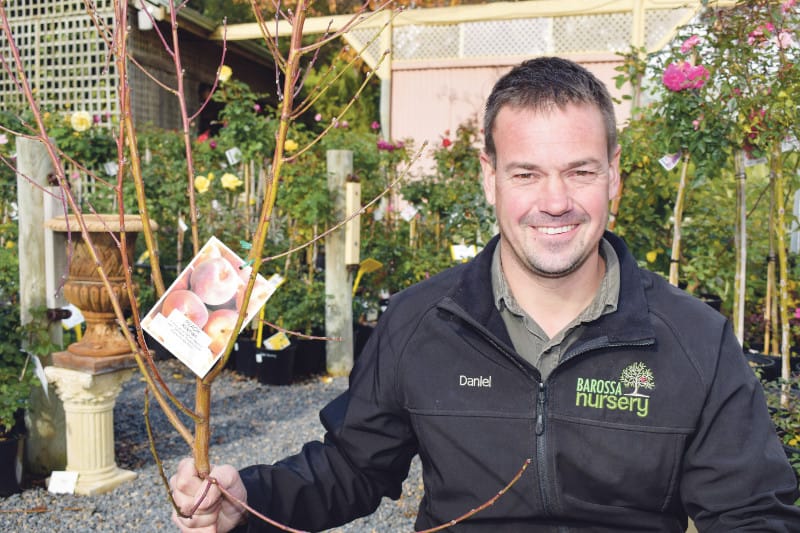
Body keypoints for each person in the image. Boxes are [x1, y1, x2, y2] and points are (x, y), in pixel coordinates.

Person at [171, 57, 800, 532]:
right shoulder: (422, 320)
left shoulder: (691, 338)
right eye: (526, 173)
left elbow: (751, 512)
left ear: (613, 177)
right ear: (490, 177)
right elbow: (353, 468)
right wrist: (243, 501)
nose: (555, 201)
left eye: (580, 171)